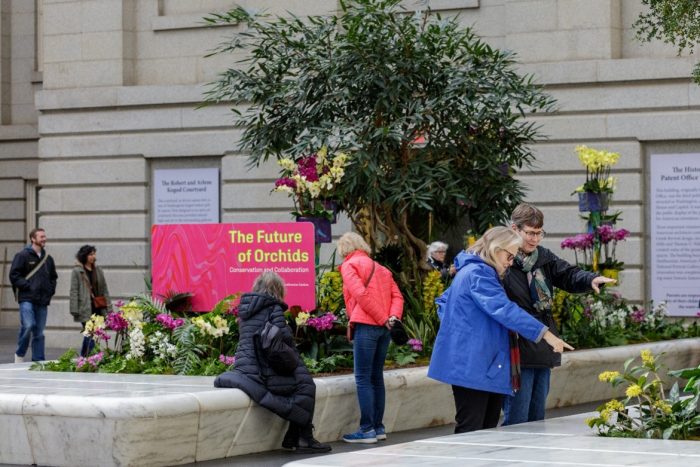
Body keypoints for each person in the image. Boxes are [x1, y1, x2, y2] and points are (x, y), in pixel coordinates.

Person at [428, 226, 573, 433]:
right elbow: (504, 309)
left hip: (479, 363)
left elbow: (444, 302)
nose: (510, 262)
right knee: (473, 430)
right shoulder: (479, 272)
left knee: (482, 430)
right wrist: (546, 334)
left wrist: (465, 327)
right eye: (509, 255)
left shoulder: (474, 270)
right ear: (496, 249)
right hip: (475, 363)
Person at [501, 203, 616, 426]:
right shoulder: (503, 260)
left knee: (536, 418)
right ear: (514, 229)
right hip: (517, 346)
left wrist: (590, 279)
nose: (535, 239)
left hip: (544, 345)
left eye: (539, 233)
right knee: (517, 418)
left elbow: (568, 274)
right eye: (530, 233)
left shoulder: (542, 257)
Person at [213, 272, 331, 454]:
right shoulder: (273, 308)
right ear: (278, 290)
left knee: (301, 381)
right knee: (306, 385)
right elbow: (282, 342)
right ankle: (304, 437)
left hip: (246, 366)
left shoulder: (246, 311)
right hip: (263, 369)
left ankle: (296, 436)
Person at [337, 232, 404, 444]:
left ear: (344, 249)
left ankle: (366, 430)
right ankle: (378, 427)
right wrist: (391, 319)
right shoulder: (381, 268)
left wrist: (382, 318)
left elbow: (361, 296)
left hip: (367, 325)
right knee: (376, 377)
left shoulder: (349, 266)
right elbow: (397, 296)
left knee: (363, 378)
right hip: (384, 329)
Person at [9, 228, 58, 363]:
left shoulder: (48, 259)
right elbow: (14, 275)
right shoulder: (22, 256)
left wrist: (50, 290)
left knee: (39, 332)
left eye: (44, 236)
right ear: (33, 239)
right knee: (29, 325)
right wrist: (28, 287)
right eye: (41, 236)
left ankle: (38, 360)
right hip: (27, 299)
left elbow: (54, 277)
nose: (44, 239)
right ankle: (20, 353)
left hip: (42, 300)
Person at [69, 245, 111, 357]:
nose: (93, 256)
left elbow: (105, 289)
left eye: (94, 254)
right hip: (85, 308)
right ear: (85, 256)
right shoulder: (78, 271)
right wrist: (74, 309)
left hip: (98, 307)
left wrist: (109, 308)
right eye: (90, 254)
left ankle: (84, 357)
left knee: (91, 334)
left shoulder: (98, 270)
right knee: (91, 333)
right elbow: (74, 290)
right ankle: (89, 357)